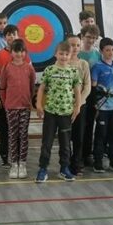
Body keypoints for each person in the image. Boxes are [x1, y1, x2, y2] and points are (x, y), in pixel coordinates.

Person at [35, 41, 81, 182]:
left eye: (67, 54)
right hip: (50, 112)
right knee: (47, 142)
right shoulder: (49, 70)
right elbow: (41, 89)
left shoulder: (73, 72)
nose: (64, 56)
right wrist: (38, 104)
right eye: (61, 53)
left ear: (70, 55)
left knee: (65, 144)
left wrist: (77, 107)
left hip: (66, 113)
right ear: (56, 54)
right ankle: (43, 169)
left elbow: (77, 91)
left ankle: (64, 169)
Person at [0, 39, 36, 179]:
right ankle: (14, 164)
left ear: (25, 52)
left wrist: (29, 101)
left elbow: (32, 87)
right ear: (11, 52)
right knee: (13, 135)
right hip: (11, 107)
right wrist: (6, 103)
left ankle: (22, 164)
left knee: (23, 135)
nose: (19, 54)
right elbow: (2, 88)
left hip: (25, 106)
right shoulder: (7, 68)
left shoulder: (29, 68)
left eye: (22, 51)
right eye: (16, 51)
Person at [0, 24, 24, 167]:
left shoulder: (24, 54)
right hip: (4, 99)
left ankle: (17, 155)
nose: (11, 37)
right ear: (5, 37)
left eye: (14, 34)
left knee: (19, 128)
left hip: (19, 99)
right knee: (4, 128)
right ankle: (4, 154)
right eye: (9, 34)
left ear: (18, 36)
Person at [91, 37, 113, 172]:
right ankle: (97, 161)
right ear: (101, 51)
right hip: (102, 106)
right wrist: (95, 104)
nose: (111, 53)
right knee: (101, 134)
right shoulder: (97, 67)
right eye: (107, 50)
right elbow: (93, 87)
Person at [66, 34, 91, 176]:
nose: (75, 48)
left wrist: (79, 102)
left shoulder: (83, 64)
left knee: (78, 135)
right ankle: (66, 162)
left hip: (80, 105)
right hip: (64, 105)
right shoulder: (62, 63)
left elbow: (87, 85)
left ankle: (77, 163)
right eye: (72, 45)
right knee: (65, 135)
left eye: (77, 45)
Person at [78, 24, 101, 166]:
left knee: (90, 123)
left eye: (94, 38)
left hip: (92, 92)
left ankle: (87, 153)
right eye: (88, 37)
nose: (91, 40)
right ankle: (78, 154)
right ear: (82, 36)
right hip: (78, 90)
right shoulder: (77, 52)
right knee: (79, 124)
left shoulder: (97, 54)